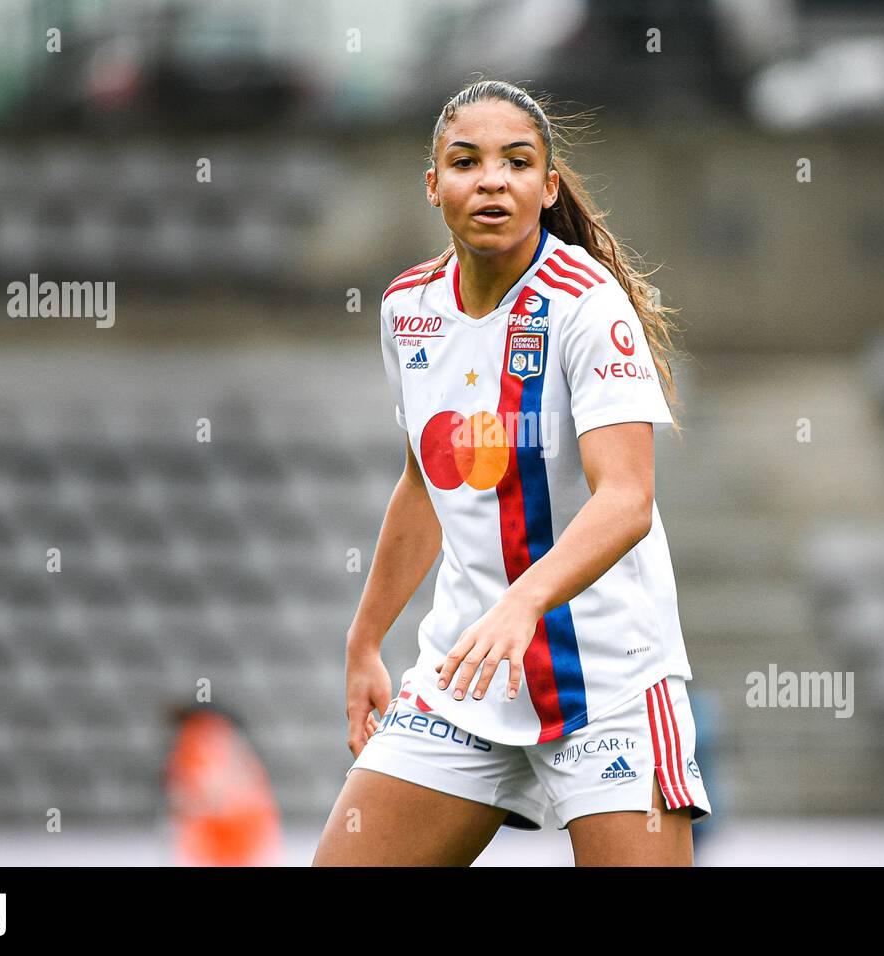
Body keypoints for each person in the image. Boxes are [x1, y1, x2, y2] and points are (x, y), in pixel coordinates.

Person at [313, 79, 710, 867]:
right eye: (466, 161)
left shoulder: (587, 307)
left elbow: (627, 499)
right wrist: (365, 641)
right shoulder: (407, 309)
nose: (491, 179)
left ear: (546, 185)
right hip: (466, 675)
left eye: (516, 162)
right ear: (434, 185)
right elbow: (427, 483)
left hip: (606, 685)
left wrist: (524, 603)